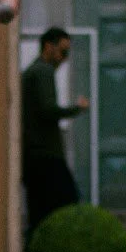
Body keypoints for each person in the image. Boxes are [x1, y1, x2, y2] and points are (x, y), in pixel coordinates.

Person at [22, 26, 88, 235]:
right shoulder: (43, 71)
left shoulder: (34, 71)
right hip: (45, 156)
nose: (64, 59)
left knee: (41, 213)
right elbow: (48, 110)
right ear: (48, 47)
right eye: (63, 52)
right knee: (67, 203)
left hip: (34, 155)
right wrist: (77, 108)